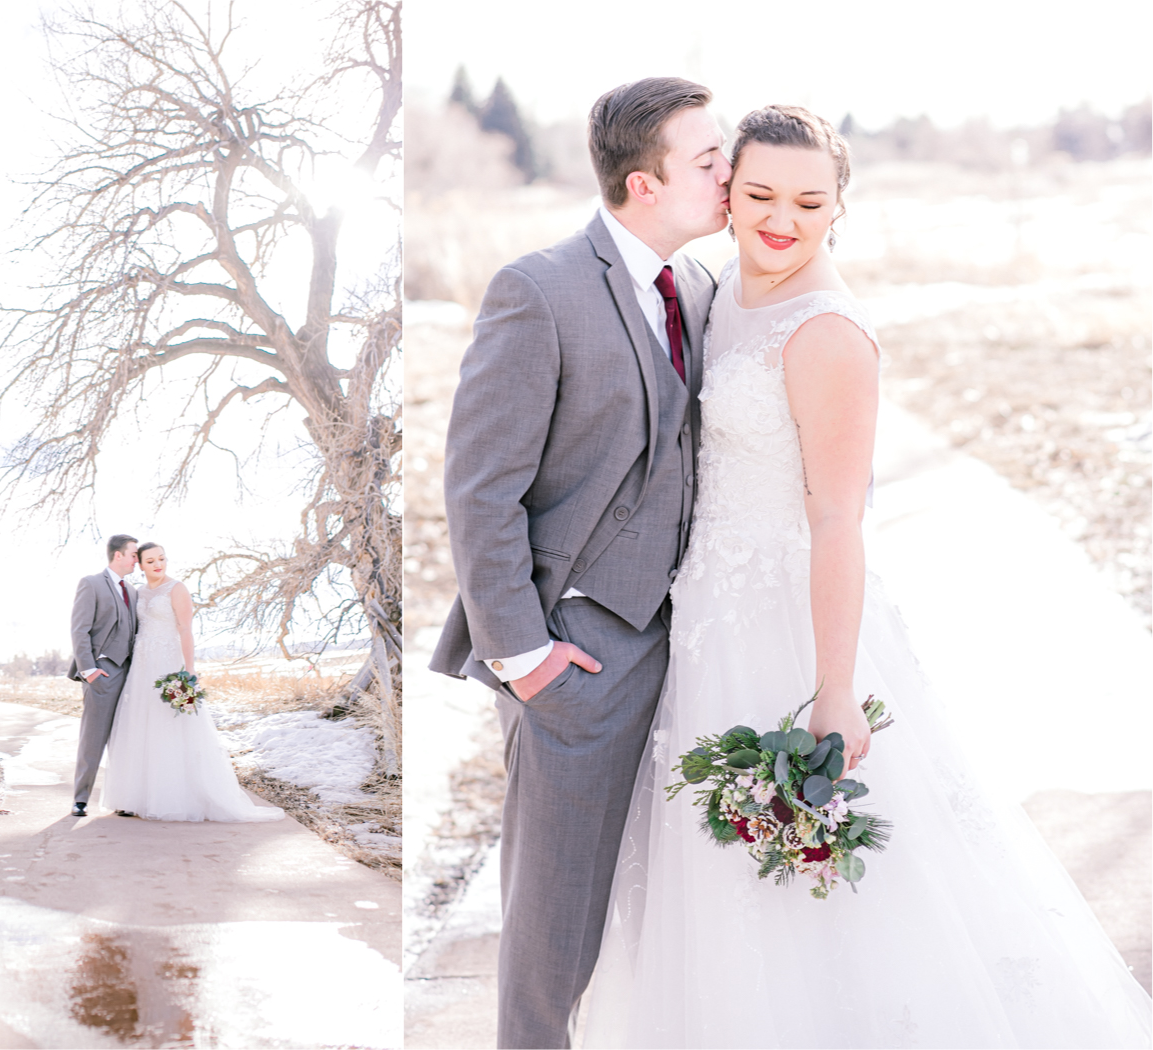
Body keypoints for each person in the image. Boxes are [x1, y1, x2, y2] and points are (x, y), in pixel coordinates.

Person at [576, 105, 1152, 1048]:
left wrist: (835, 689)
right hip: (710, 617)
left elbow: (839, 520)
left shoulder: (828, 331)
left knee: (830, 875)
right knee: (726, 880)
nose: (782, 220)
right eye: (761, 195)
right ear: (727, 194)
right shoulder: (720, 290)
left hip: (796, 626)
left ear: (839, 207)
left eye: (809, 203)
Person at [429, 77, 731, 1049]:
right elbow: (481, 489)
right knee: (555, 931)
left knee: (682, 899)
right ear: (646, 184)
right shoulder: (539, 290)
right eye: (709, 160)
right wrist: (527, 659)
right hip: (578, 659)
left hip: (694, 646)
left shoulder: (701, 288)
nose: (729, 175)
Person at [100, 542, 283, 823]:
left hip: (168, 663)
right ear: (140, 565)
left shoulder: (177, 589)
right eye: (151, 561)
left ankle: (173, 796)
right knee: (139, 724)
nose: (158, 565)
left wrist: (189, 669)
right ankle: (134, 798)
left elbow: (185, 629)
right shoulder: (138, 592)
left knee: (171, 724)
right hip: (142, 665)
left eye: (162, 558)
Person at [68, 533, 140, 818]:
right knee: (93, 737)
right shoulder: (91, 583)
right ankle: (80, 799)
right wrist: (89, 671)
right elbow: (79, 629)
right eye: (133, 554)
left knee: (124, 739)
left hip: (130, 674)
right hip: (102, 672)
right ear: (118, 555)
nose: (136, 560)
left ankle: (122, 798)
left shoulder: (133, 591)